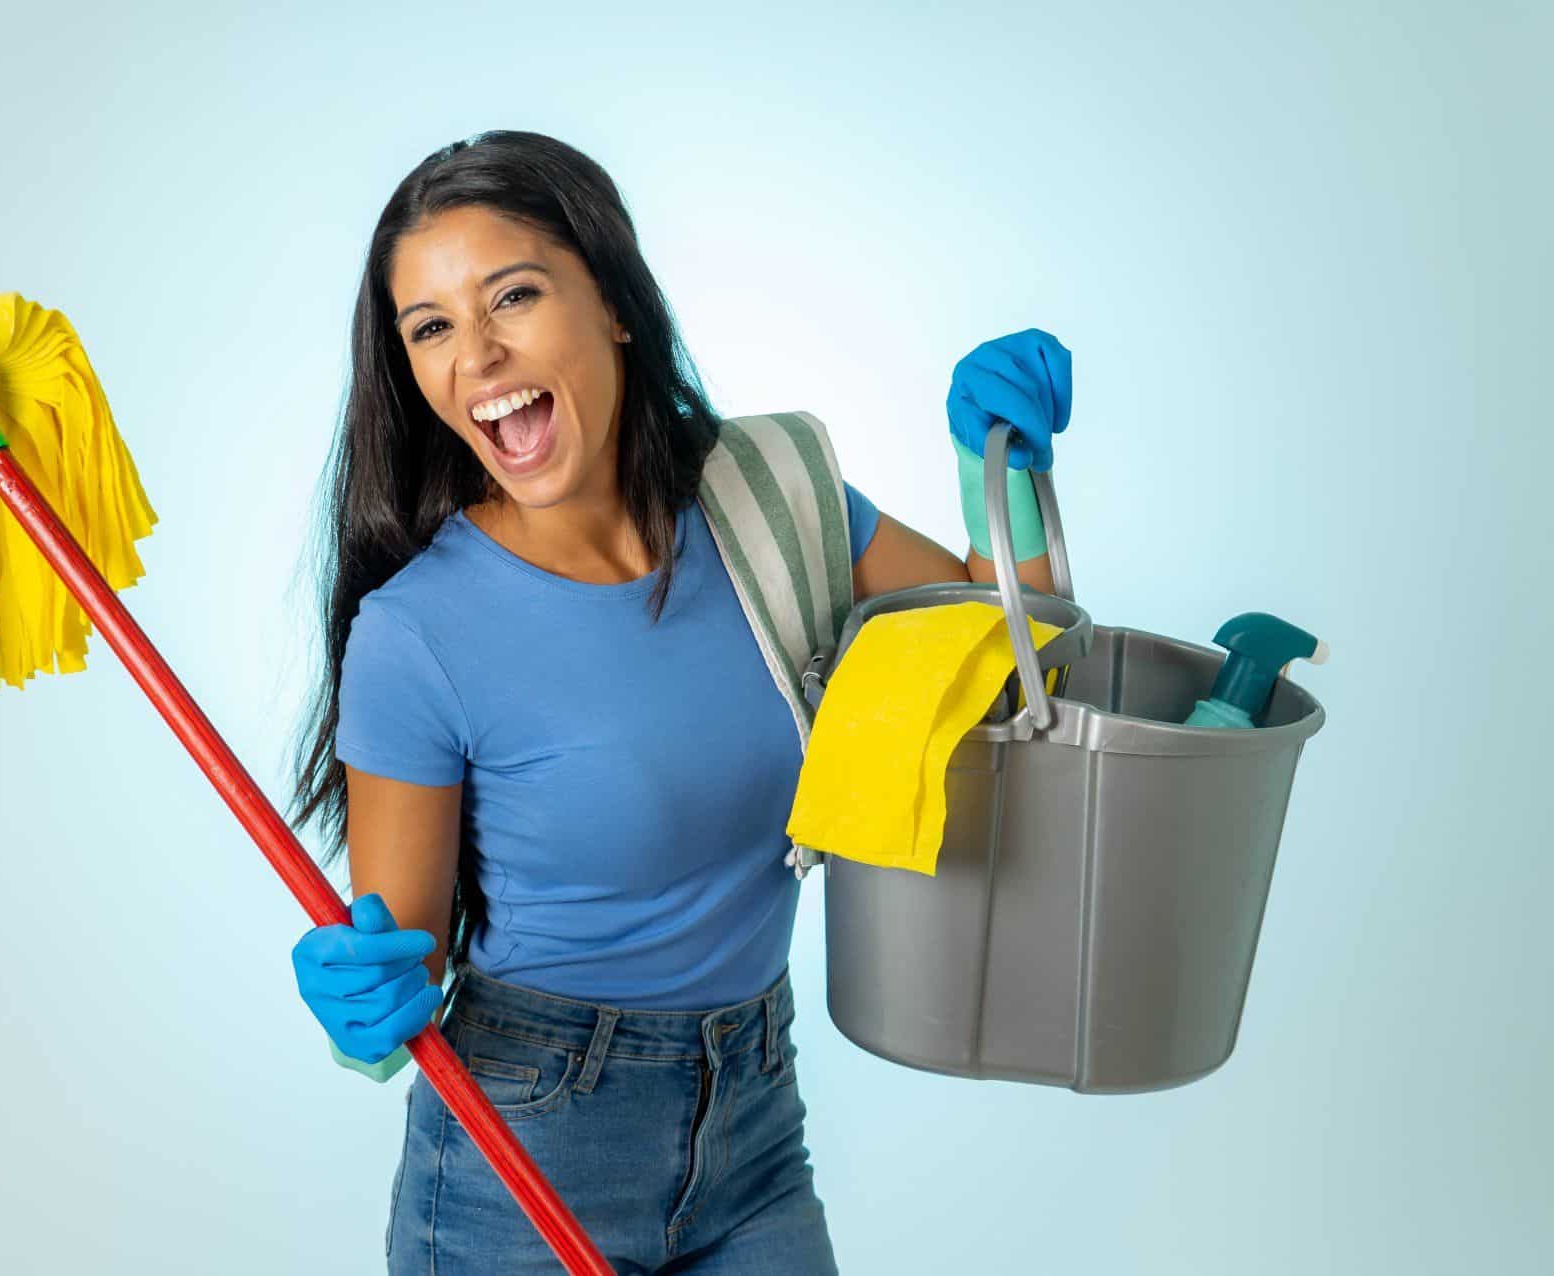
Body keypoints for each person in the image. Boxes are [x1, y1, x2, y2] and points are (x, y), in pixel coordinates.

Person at [282, 129, 1073, 1274]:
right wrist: (363, 1010)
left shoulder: (775, 495)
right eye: (433, 328)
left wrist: (1000, 473)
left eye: (513, 295)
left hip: (753, 1125)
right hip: (524, 1150)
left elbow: (1023, 671)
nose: (481, 355)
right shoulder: (417, 633)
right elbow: (399, 975)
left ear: (613, 303)